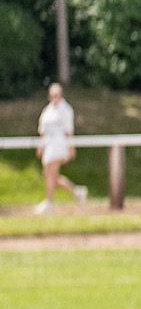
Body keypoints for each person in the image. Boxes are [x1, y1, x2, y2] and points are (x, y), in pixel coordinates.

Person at [34, 83, 86, 214]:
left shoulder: (66, 110)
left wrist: (71, 147)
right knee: (49, 175)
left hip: (59, 144)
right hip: (48, 145)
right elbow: (43, 130)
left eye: (56, 95)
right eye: (52, 95)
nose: (54, 98)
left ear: (61, 95)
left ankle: (48, 202)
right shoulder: (47, 110)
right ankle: (77, 191)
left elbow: (69, 130)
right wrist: (41, 146)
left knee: (51, 173)